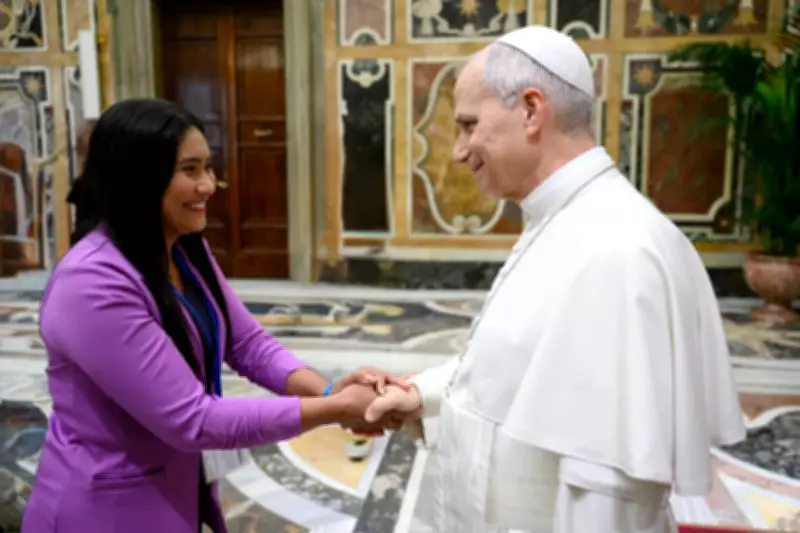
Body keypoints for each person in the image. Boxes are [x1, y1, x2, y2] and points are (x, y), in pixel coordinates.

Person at [363, 25, 746, 533]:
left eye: (468, 124)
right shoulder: (566, 220)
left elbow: (606, 497)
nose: (458, 150)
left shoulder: (616, 251)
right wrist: (425, 395)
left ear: (530, 110)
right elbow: (521, 365)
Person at [21, 98, 410, 533]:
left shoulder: (184, 247)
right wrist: (333, 408)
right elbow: (193, 420)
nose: (208, 184)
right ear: (139, 178)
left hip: (172, 490)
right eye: (190, 170)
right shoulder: (92, 283)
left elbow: (247, 344)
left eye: (208, 167)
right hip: (104, 508)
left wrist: (331, 390)